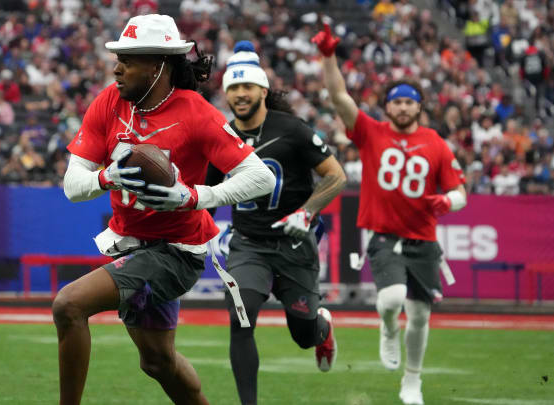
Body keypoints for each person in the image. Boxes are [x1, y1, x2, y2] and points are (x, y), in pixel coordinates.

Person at [53, 15, 275, 405]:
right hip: (132, 247)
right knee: (157, 362)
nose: (117, 68)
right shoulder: (109, 101)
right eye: (118, 57)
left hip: (175, 251)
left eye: (129, 59)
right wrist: (108, 177)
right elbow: (73, 186)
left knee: (69, 305)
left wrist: (194, 197)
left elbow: (261, 178)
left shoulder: (195, 111)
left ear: (158, 66)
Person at [312, 24, 467, 405]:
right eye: (396, 101)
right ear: (388, 107)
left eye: (409, 101)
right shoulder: (371, 132)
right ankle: (385, 328)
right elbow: (339, 97)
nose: (402, 107)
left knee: (419, 317)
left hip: (424, 239)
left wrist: (447, 203)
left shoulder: (436, 143)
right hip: (384, 233)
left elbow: (459, 192)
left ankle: (411, 381)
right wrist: (329, 57)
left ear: (419, 106)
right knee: (391, 300)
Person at [206, 41, 347, 405]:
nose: (239, 94)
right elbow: (205, 194)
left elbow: (336, 176)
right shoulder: (220, 136)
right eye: (233, 88)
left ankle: (322, 328)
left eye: (246, 86)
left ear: (263, 89)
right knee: (241, 317)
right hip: (248, 244)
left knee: (303, 334)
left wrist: (307, 211)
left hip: (294, 244)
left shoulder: (292, 129)